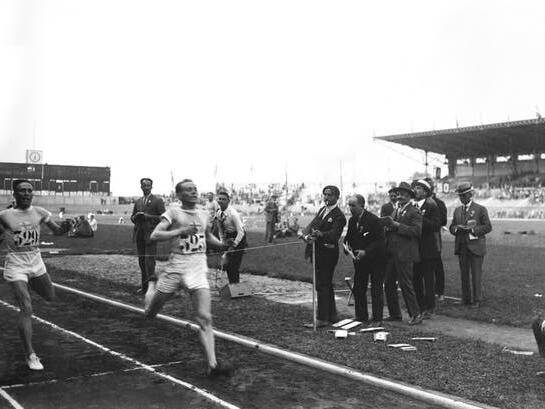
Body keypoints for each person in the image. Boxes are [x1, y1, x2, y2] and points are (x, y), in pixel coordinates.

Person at [145, 179, 233, 378]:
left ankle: (212, 365)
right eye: (188, 190)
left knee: (205, 317)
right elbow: (155, 235)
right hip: (176, 266)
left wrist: (222, 245)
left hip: (198, 267)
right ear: (179, 195)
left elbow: (206, 236)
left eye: (195, 189)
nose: (194, 192)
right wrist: (180, 231)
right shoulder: (173, 212)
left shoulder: (204, 213)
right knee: (150, 313)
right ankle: (151, 284)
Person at [0, 179, 65, 370]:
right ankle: (30, 355)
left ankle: (27, 286)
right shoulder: (4, 216)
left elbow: (58, 231)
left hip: (36, 262)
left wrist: (67, 227)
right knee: (26, 307)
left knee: (50, 296)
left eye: (29, 190)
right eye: (22, 190)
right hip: (16, 264)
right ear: (14, 194)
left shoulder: (40, 212)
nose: (27, 193)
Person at [301, 185, 347, 328]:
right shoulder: (322, 210)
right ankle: (332, 315)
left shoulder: (339, 216)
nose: (326, 197)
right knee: (325, 285)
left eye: (330, 195)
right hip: (318, 251)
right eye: (325, 194)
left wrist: (320, 234)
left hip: (328, 253)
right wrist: (305, 234)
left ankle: (322, 318)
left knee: (322, 285)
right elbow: (313, 225)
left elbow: (334, 235)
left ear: (337, 197)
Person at [382, 182, 423, 325]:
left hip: (405, 253)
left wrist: (397, 226)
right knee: (388, 283)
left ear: (410, 196)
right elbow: (393, 227)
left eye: (403, 194)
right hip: (392, 252)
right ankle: (395, 314)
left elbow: (417, 231)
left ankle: (416, 314)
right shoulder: (396, 210)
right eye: (398, 194)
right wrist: (387, 227)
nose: (399, 197)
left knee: (406, 285)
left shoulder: (414, 211)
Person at [343, 194, 386, 327]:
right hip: (360, 261)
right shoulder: (352, 220)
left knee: (376, 289)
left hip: (376, 260)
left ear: (362, 205)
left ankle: (377, 318)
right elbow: (349, 237)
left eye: (353, 205)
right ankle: (361, 316)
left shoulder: (374, 220)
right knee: (359, 288)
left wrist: (366, 251)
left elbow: (380, 241)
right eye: (349, 205)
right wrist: (346, 246)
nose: (350, 208)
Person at [449, 182, 492, 308]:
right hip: (462, 246)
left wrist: (472, 230)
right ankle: (466, 299)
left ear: (470, 194)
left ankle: (476, 300)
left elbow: (488, 226)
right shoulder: (457, 210)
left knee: (476, 274)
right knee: (464, 275)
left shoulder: (480, 209)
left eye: (463, 195)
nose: (461, 198)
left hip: (475, 247)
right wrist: (456, 229)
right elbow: (452, 226)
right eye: (460, 195)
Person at [131, 178, 165, 294]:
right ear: (141, 187)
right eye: (144, 185)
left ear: (151, 187)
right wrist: (136, 217)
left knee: (149, 262)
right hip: (139, 234)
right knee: (141, 261)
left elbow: (164, 218)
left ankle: (152, 288)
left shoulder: (157, 201)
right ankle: (144, 287)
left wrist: (148, 216)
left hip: (151, 235)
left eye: (148, 185)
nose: (146, 187)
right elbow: (132, 218)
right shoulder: (138, 201)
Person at [412, 180, 441, 319]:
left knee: (428, 280)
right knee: (415, 279)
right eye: (415, 188)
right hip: (414, 249)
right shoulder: (412, 206)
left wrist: (420, 217)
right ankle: (420, 306)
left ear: (425, 191)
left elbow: (436, 225)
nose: (415, 190)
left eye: (418, 188)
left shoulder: (432, 206)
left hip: (428, 249)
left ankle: (429, 307)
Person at [216, 190, 247, 284]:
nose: (221, 201)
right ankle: (232, 285)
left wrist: (234, 245)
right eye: (219, 199)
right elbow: (220, 230)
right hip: (228, 237)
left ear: (228, 201)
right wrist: (222, 242)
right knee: (227, 264)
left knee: (234, 265)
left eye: (224, 199)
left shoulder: (233, 214)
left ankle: (235, 286)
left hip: (238, 237)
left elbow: (241, 231)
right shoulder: (218, 213)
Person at [425, 177, 448, 302]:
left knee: (437, 264)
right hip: (421, 238)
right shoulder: (418, 203)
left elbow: (443, 221)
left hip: (434, 237)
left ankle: (440, 291)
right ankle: (427, 291)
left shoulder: (438, 203)